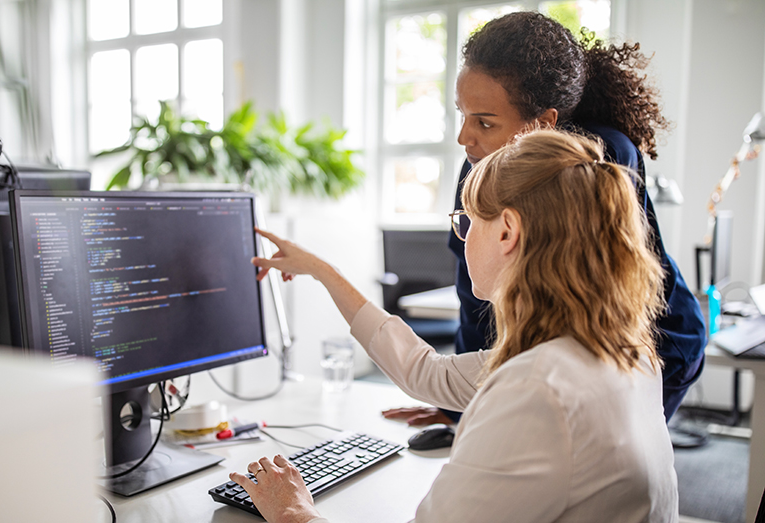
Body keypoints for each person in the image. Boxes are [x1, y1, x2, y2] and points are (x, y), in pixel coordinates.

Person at [231, 130, 679, 523]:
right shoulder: (619, 352)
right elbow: (427, 372)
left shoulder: (538, 389)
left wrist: (294, 513)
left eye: (467, 222)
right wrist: (325, 271)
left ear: (507, 231)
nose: (461, 239)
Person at [384, 11, 705, 428]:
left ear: (544, 122)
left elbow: (589, 305)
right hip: (564, 355)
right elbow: (474, 295)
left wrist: (490, 406)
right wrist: (458, 406)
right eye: (462, 114)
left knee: (591, 472)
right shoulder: (478, 164)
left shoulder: (599, 158)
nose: (465, 137)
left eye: (484, 121)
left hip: (650, 344)